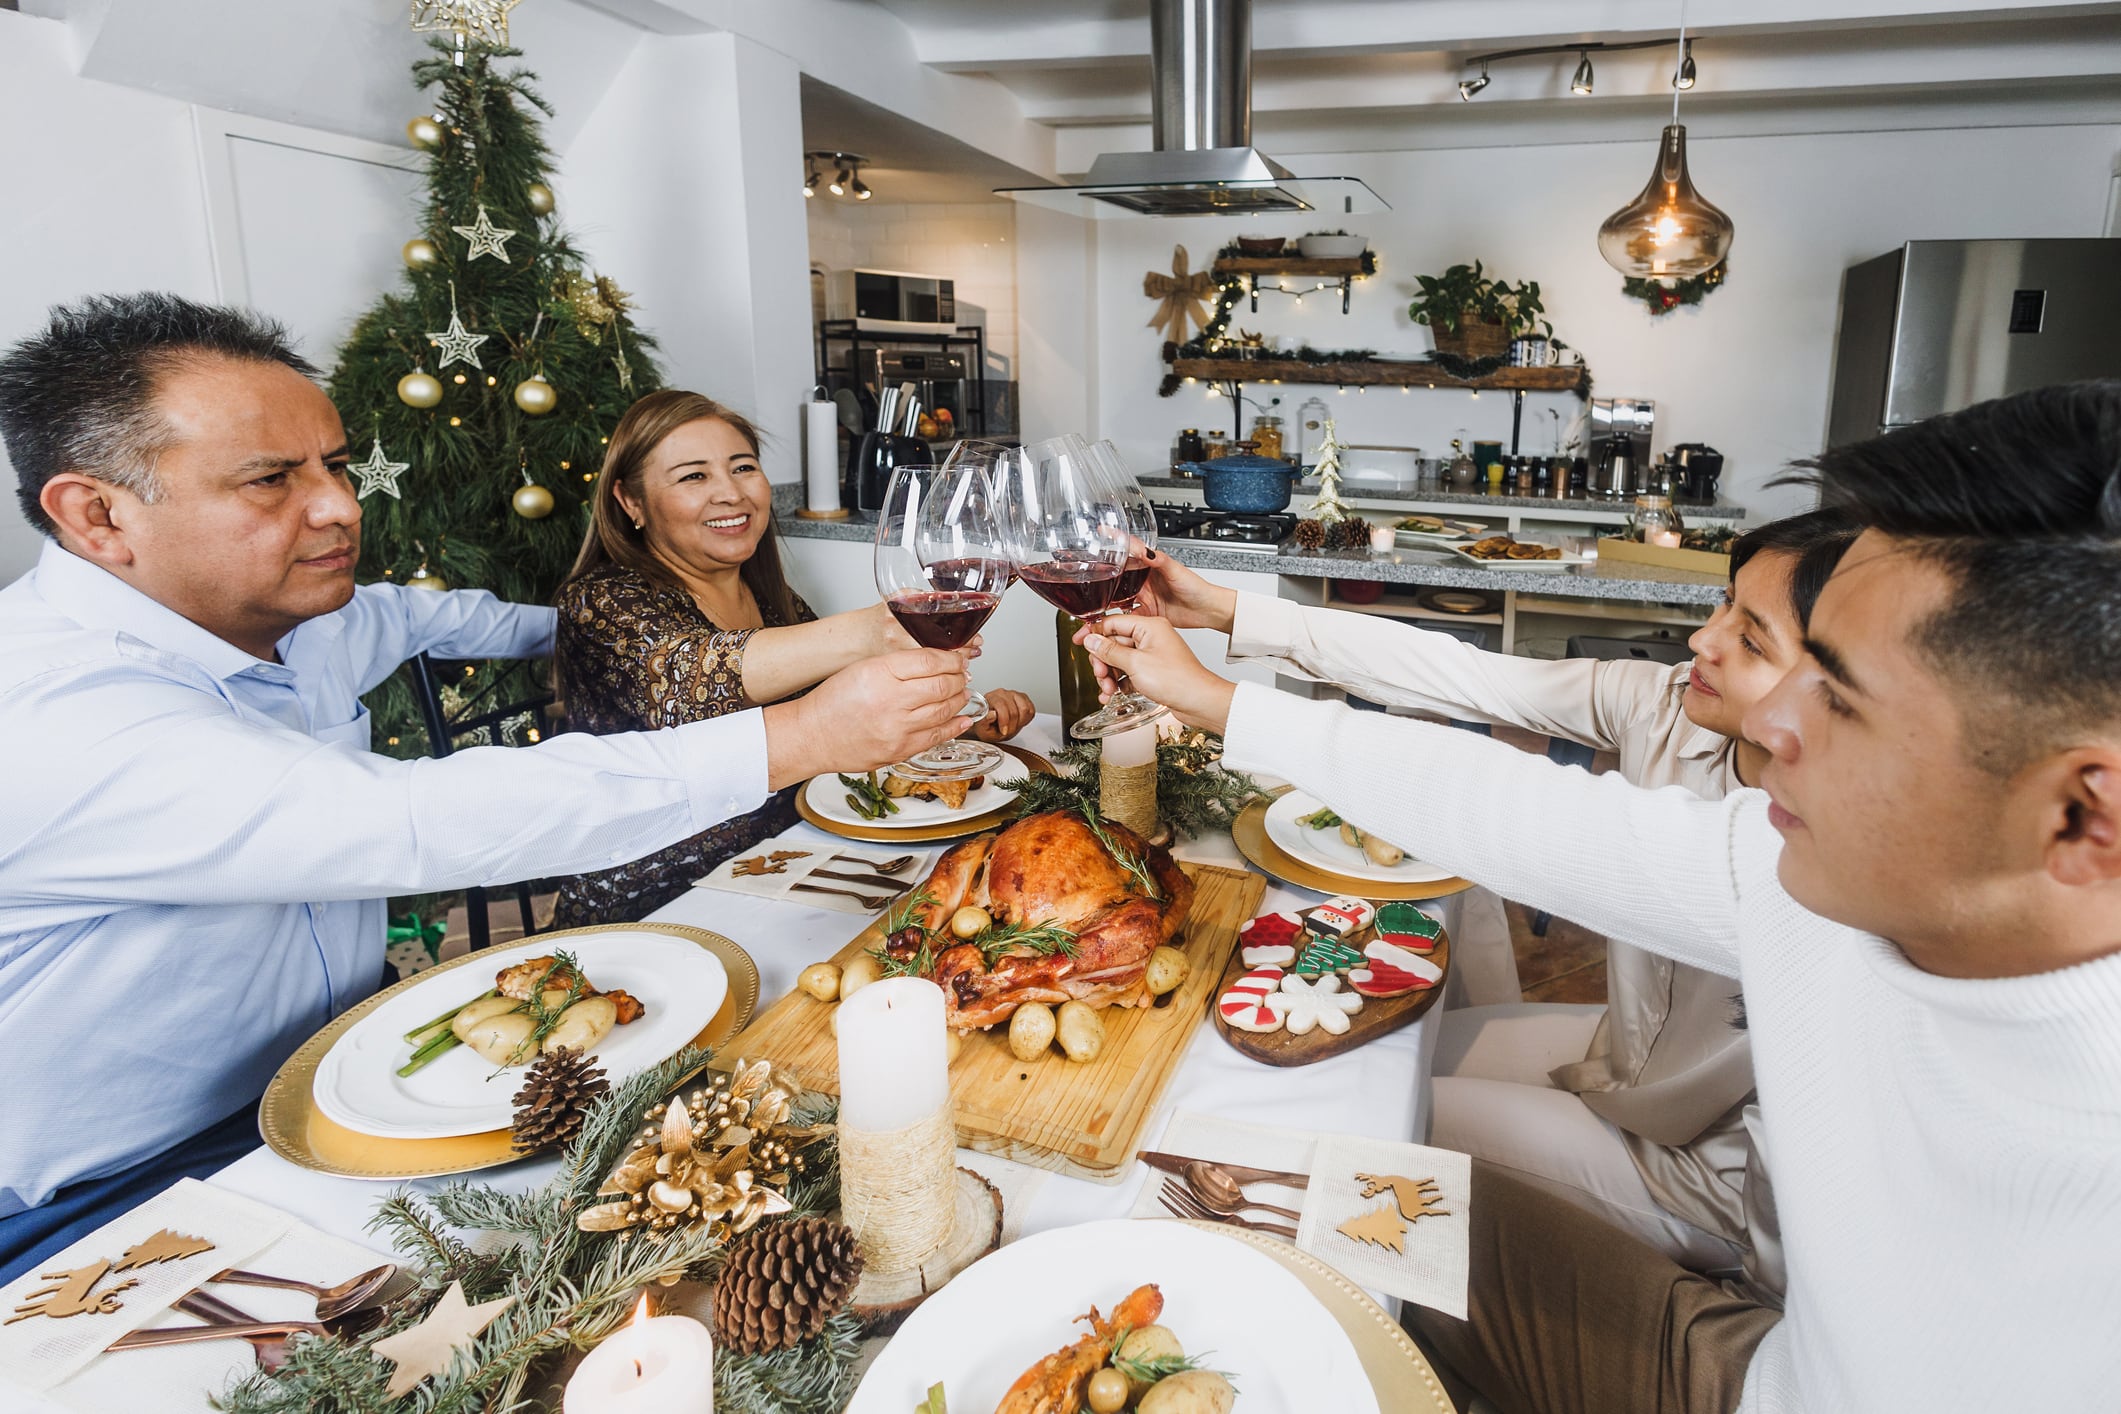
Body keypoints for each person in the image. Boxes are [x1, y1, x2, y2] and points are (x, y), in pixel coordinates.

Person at [1081, 382, 2121, 1412]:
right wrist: (1217, 691)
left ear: (2083, 817)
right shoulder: (1807, 877)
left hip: (1731, 1318)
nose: (1775, 721)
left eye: (1839, 693)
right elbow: (1505, 801)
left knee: (1331, 1166)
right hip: (1761, 1347)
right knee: (1265, 1168)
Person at [0, 294, 973, 1281]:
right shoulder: (50, 715)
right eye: (270, 479)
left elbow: (445, 615)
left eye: (334, 465)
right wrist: (799, 732)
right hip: (118, 1187)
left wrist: (578, 633)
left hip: (357, 1075)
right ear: (98, 515)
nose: (340, 505)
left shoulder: (303, 615)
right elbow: (416, 820)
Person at [1106, 510, 1856, 1293]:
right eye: (1723, 605)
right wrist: (1227, 607)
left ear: (1835, 688)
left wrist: (1223, 704)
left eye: (1752, 639)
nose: (1705, 639)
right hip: (1617, 1062)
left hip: (1698, 1175)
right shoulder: (1667, 702)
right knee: (1389, 1059)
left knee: (1344, 1126)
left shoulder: (1815, 856)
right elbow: (1463, 673)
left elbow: (1513, 811)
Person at [548, 390, 1033, 926]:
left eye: (743, 468)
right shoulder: (598, 602)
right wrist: (875, 629)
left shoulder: (776, 601)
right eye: (694, 477)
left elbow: (841, 721)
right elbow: (691, 673)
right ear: (631, 501)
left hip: (787, 865)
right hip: (658, 904)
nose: (730, 493)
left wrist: (953, 727)